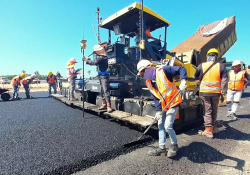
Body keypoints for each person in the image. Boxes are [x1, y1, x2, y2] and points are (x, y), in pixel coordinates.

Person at [137, 59, 187, 158]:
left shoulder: (164, 70)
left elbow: (182, 69)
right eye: (141, 74)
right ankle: (162, 148)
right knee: (160, 124)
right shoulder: (148, 82)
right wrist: (158, 111)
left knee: (168, 126)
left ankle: (174, 145)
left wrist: (183, 80)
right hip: (164, 105)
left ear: (148, 68)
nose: (142, 75)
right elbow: (156, 98)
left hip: (173, 102)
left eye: (143, 72)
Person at [194, 48, 228, 138]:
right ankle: (214, 127)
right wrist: (224, 93)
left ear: (207, 56)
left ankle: (208, 131)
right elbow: (224, 82)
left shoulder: (201, 66)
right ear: (217, 56)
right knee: (214, 110)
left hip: (205, 93)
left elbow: (195, 76)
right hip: (216, 93)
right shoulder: (221, 67)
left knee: (207, 111)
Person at [82, 44, 112, 113]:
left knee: (105, 90)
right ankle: (104, 104)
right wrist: (88, 59)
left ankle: (109, 106)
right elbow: (95, 61)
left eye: (96, 52)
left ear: (98, 51)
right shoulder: (100, 56)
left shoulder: (102, 57)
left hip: (104, 76)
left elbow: (95, 62)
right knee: (102, 90)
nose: (95, 53)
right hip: (101, 76)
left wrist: (86, 60)